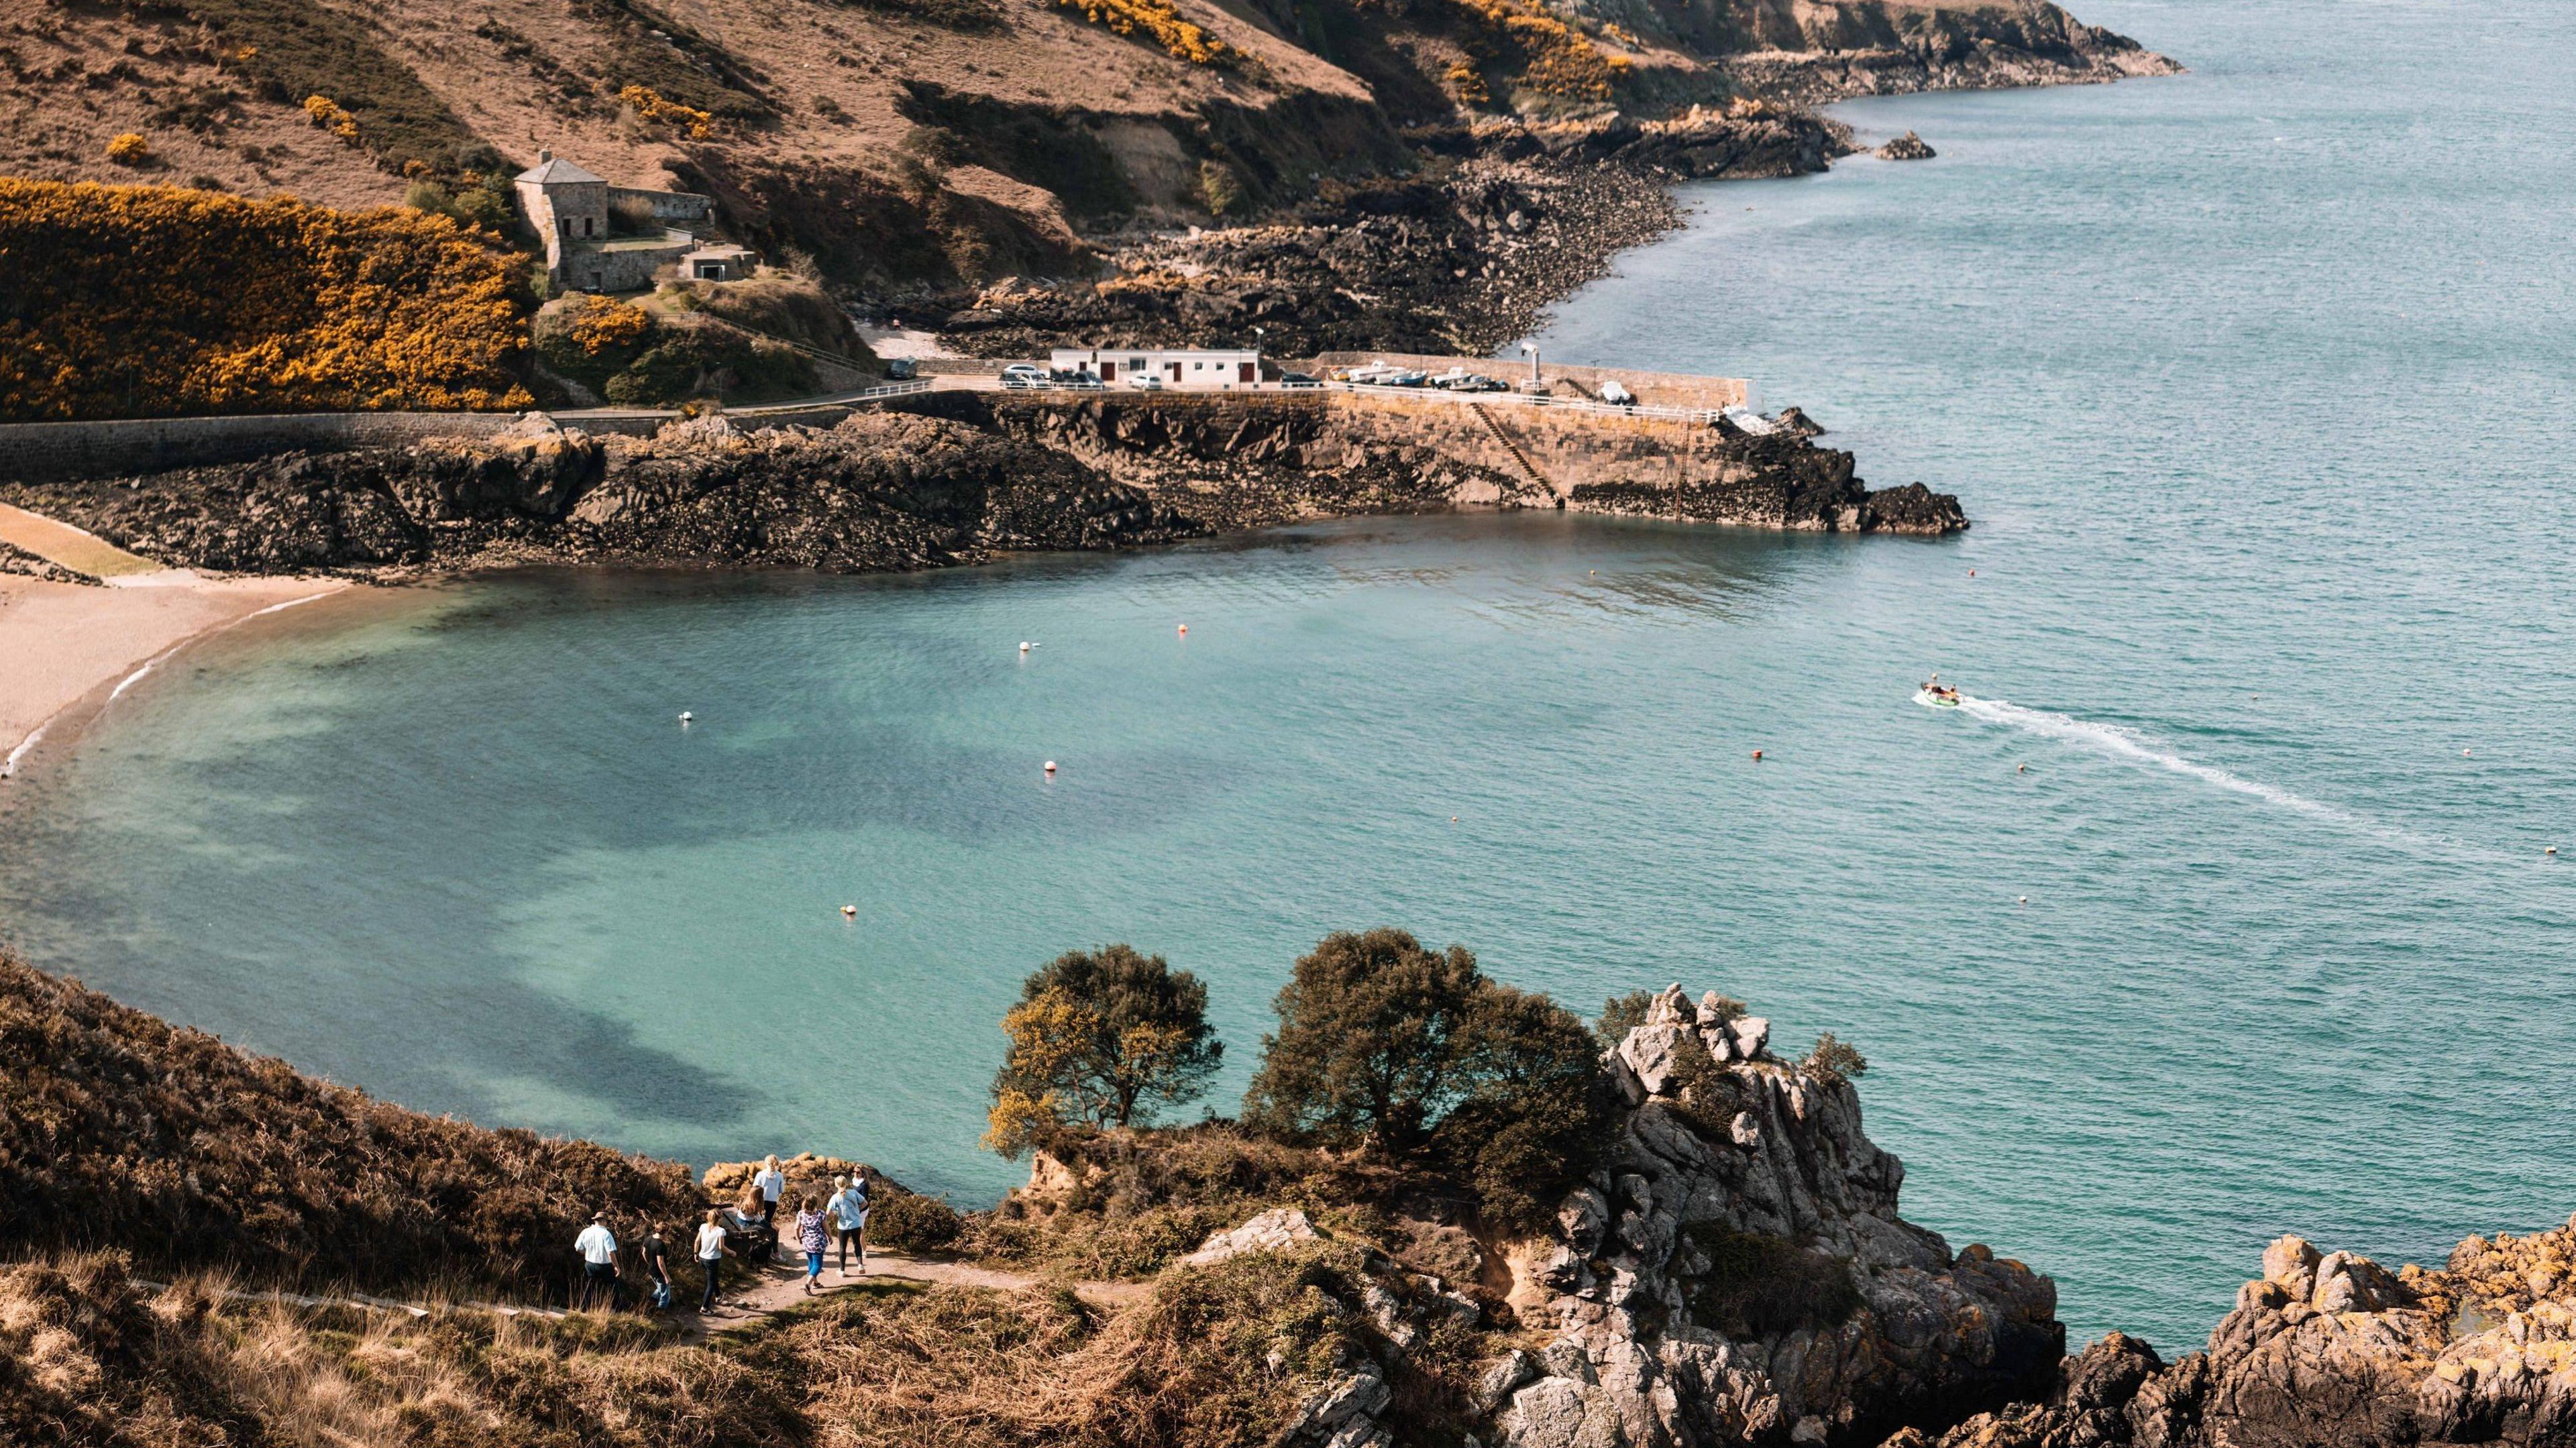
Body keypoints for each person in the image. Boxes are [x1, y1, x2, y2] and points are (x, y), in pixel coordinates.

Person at [573, 1211, 623, 1312]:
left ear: (595, 1220)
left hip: (590, 1264)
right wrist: (617, 1266)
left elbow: (578, 1248)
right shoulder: (606, 1234)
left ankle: (584, 1309)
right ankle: (617, 1310)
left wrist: (586, 1253)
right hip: (605, 1265)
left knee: (589, 1287)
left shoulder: (586, 1231)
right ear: (604, 1221)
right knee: (613, 1287)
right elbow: (611, 1253)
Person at [828, 1172, 869, 1276]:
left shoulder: (835, 1197)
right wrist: (857, 1211)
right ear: (847, 1183)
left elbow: (828, 1212)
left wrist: (835, 1214)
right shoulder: (854, 1193)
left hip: (843, 1226)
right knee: (857, 1244)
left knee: (843, 1247)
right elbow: (865, 1203)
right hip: (856, 1223)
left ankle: (842, 1271)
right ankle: (860, 1265)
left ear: (836, 1185)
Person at [694, 1208, 728, 1313]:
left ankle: (718, 1296)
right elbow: (721, 1247)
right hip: (712, 1260)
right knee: (711, 1283)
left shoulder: (703, 1227)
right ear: (720, 1219)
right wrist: (732, 1252)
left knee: (712, 1277)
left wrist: (695, 1253)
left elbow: (697, 1241)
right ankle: (705, 1307)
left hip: (702, 1258)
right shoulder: (720, 1231)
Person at [794, 1194, 830, 1294]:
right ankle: (808, 1284)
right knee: (818, 1265)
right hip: (818, 1242)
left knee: (811, 1262)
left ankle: (815, 1282)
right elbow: (826, 1228)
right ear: (816, 1203)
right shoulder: (820, 1214)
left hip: (807, 1242)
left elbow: (796, 1228)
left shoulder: (801, 1214)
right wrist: (830, 1236)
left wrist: (798, 1238)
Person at [753, 1156, 786, 1256]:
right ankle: (770, 1247)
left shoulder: (760, 1174)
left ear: (766, 1163)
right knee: (768, 1223)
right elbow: (782, 1190)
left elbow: (755, 1188)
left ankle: (761, 1243)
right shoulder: (780, 1175)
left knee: (759, 1222)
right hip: (772, 1202)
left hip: (761, 1201)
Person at [639, 1223, 674, 1311]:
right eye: (667, 1233)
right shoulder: (661, 1245)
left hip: (651, 1270)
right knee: (665, 1294)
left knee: (660, 1288)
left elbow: (643, 1253)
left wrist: (650, 1263)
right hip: (660, 1273)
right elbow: (661, 1263)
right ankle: (660, 1311)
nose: (667, 1235)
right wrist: (666, 1277)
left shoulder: (648, 1238)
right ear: (664, 1232)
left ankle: (651, 1302)